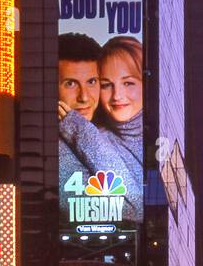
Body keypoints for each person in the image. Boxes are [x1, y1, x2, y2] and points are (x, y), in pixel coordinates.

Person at [58, 32, 144, 223]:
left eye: (92, 82)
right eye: (70, 83)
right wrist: (79, 130)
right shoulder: (72, 142)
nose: (84, 97)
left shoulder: (102, 130)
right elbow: (134, 209)